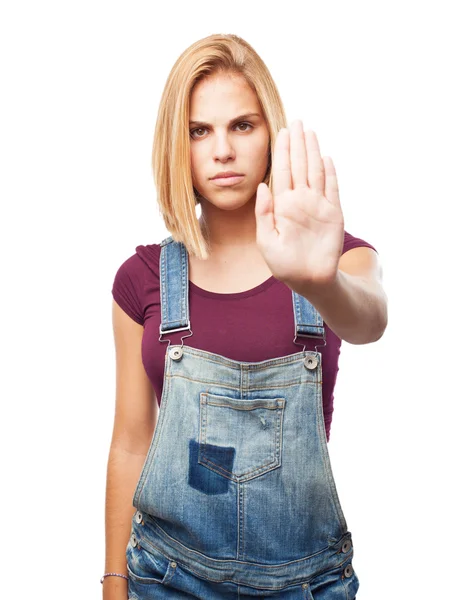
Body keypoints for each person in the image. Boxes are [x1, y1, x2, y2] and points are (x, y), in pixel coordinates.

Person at [103, 33, 387, 600]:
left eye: (242, 125)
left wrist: (319, 280)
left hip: (305, 583)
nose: (222, 151)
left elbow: (369, 320)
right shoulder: (143, 279)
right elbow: (132, 441)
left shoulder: (332, 258)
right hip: (166, 578)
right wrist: (113, 582)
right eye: (198, 131)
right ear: (175, 147)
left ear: (270, 135)